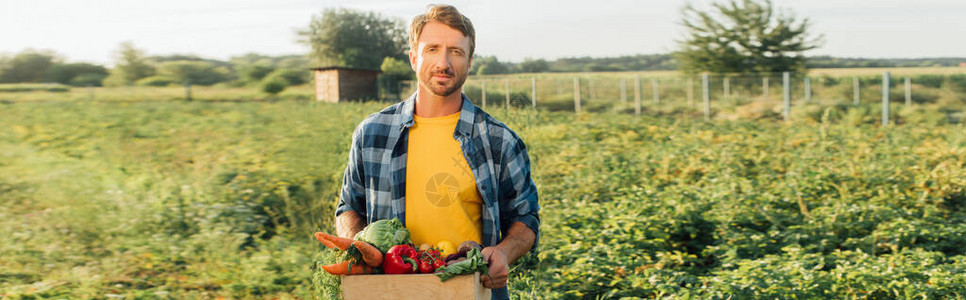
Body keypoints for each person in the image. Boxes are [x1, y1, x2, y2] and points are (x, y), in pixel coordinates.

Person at [334, 4, 539, 299]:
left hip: (470, 291)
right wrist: (360, 248)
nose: (443, 62)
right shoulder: (372, 133)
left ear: (470, 61)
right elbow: (349, 206)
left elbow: (526, 217)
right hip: (390, 292)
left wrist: (504, 252)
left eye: (456, 51)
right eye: (432, 49)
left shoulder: (500, 140)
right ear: (413, 57)